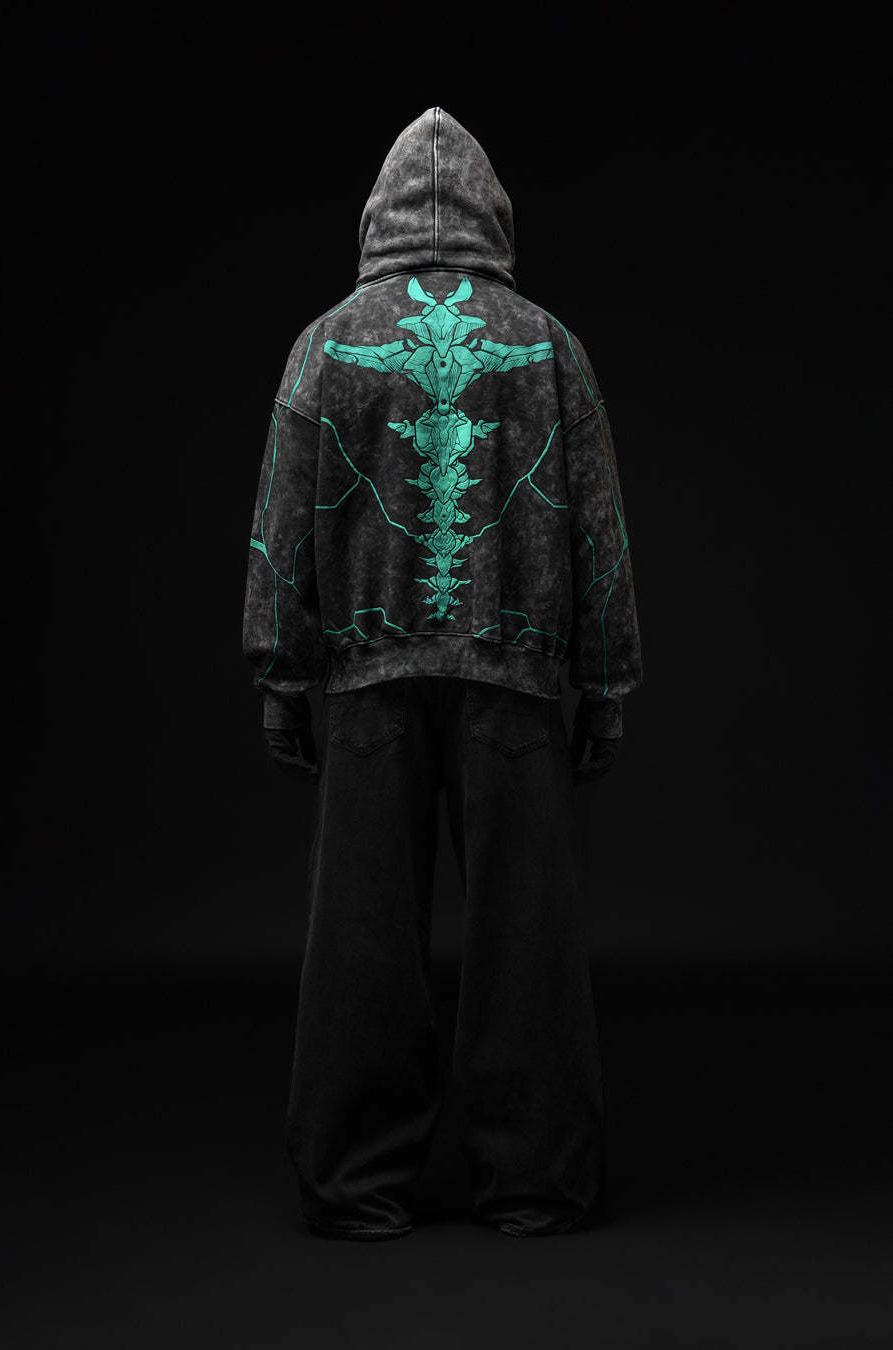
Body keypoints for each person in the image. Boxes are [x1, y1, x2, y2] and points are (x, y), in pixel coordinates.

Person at [242, 107, 643, 1241]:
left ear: (378, 212)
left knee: (360, 934)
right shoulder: (547, 344)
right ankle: (537, 1182)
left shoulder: (328, 342)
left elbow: (278, 525)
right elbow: (600, 529)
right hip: (514, 672)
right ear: (491, 211)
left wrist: (281, 673)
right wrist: (606, 681)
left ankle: (352, 1181)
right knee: (528, 934)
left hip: (368, 676)